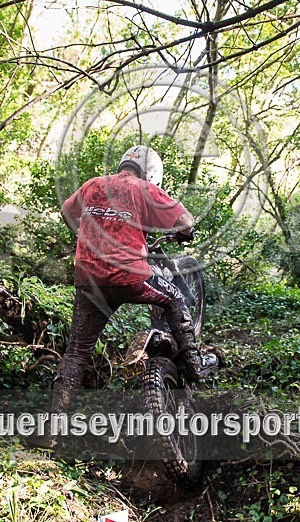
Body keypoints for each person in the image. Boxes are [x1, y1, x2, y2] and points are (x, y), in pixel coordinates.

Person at [51, 145, 219, 413]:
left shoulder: (93, 185)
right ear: (151, 172)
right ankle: (195, 364)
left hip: (88, 277)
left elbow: (65, 212)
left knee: (77, 351)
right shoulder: (145, 189)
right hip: (129, 275)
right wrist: (181, 232)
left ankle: (53, 427)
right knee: (175, 296)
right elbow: (185, 221)